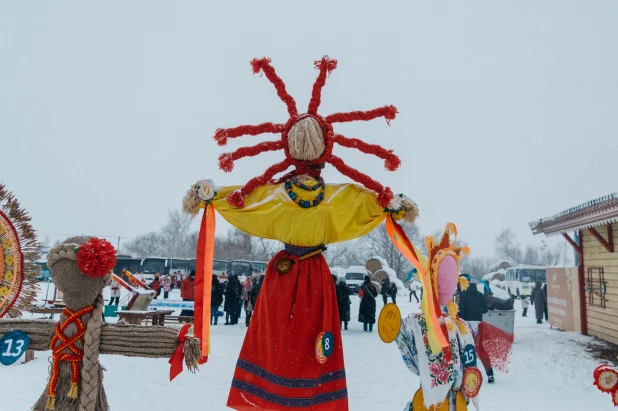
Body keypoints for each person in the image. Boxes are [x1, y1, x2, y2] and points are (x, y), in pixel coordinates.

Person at [458, 283, 493, 382]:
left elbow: (461, 313)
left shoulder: (463, 296)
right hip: (479, 325)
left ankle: (468, 375)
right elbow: (485, 310)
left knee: (466, 350)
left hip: (467, 326)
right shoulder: (480, 295)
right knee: (481, 350)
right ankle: (490, 373)